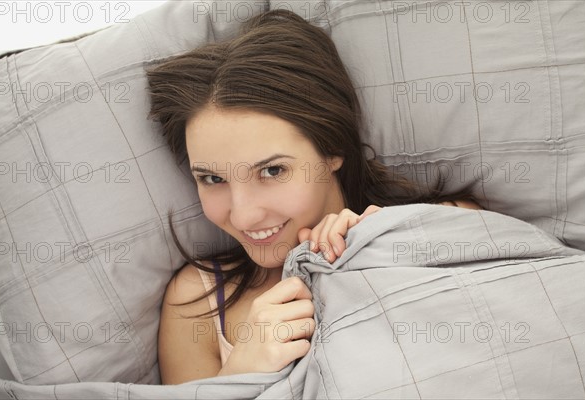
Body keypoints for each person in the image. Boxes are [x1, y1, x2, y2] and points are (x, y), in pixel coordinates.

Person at [147, 9, 481, 384]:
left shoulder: (443, 226)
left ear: (333, 148)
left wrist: (381, 243)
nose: (243, 217)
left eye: (272, 171)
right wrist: (240, 373)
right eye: (212, 178)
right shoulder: (197, 303)